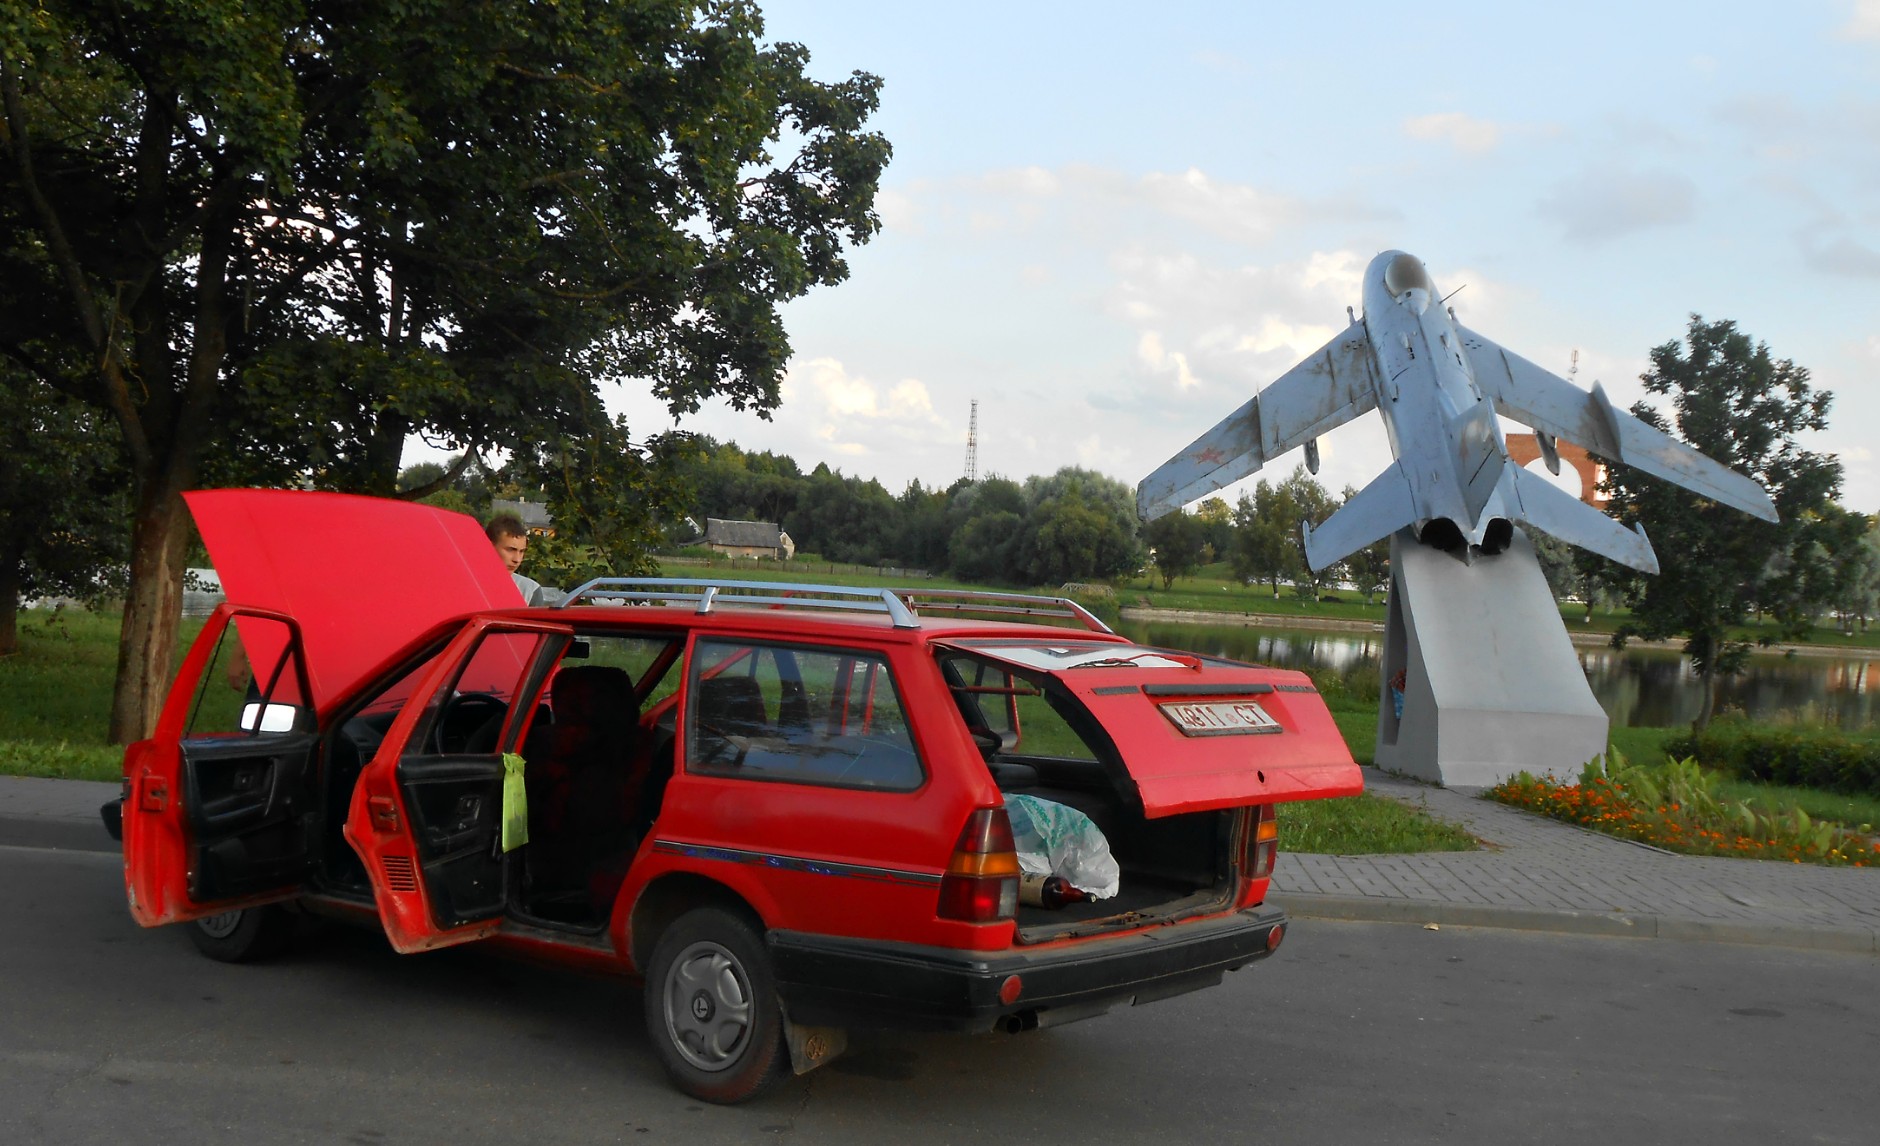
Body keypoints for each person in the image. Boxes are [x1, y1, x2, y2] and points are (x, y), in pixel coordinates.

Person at [485, 514, 542, 604]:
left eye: (522, 551)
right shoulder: (465, 582)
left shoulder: (530, 590)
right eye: (510, 550)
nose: (517, 560)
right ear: (489, 546)